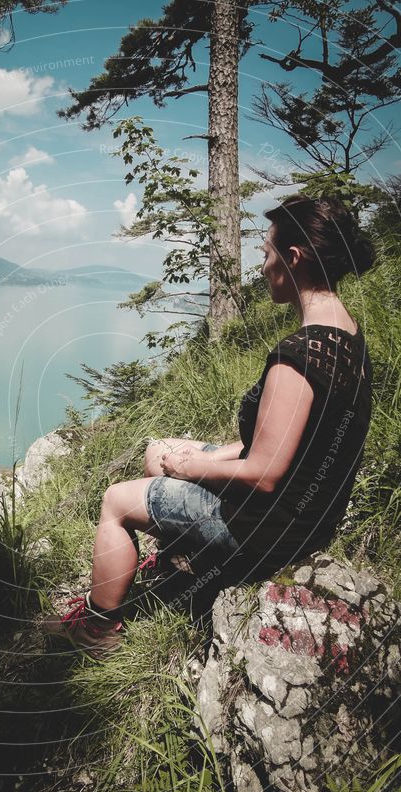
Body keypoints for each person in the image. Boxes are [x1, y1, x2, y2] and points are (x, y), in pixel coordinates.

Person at [44, 195, 375, 655]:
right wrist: (198, 456)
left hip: (266, 530)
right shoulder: (348, 340)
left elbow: (263, 473)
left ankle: (98, 629)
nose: (261, 267)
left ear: (294, 259)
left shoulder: (297, 358)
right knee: (155, 452)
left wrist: (190, 469)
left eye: (266, 253)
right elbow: (285, 446)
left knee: (115, 501)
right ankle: (180, 559)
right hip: (308, 519)